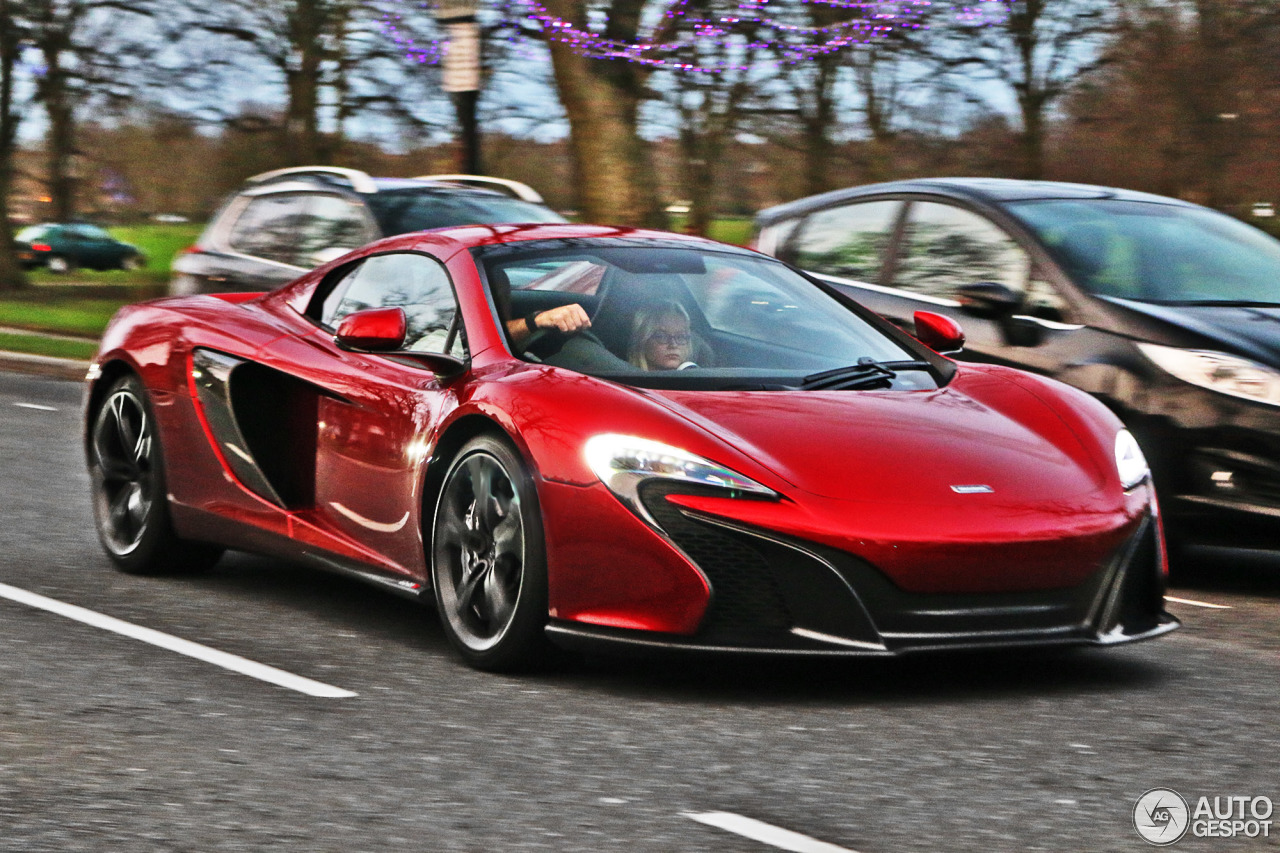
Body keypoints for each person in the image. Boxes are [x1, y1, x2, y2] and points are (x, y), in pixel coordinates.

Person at [628, 302, 698, 371]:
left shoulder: (693, 378)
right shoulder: (626, 378)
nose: (673, 345)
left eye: (680, 337)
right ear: (643, 340)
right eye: (662, 336)